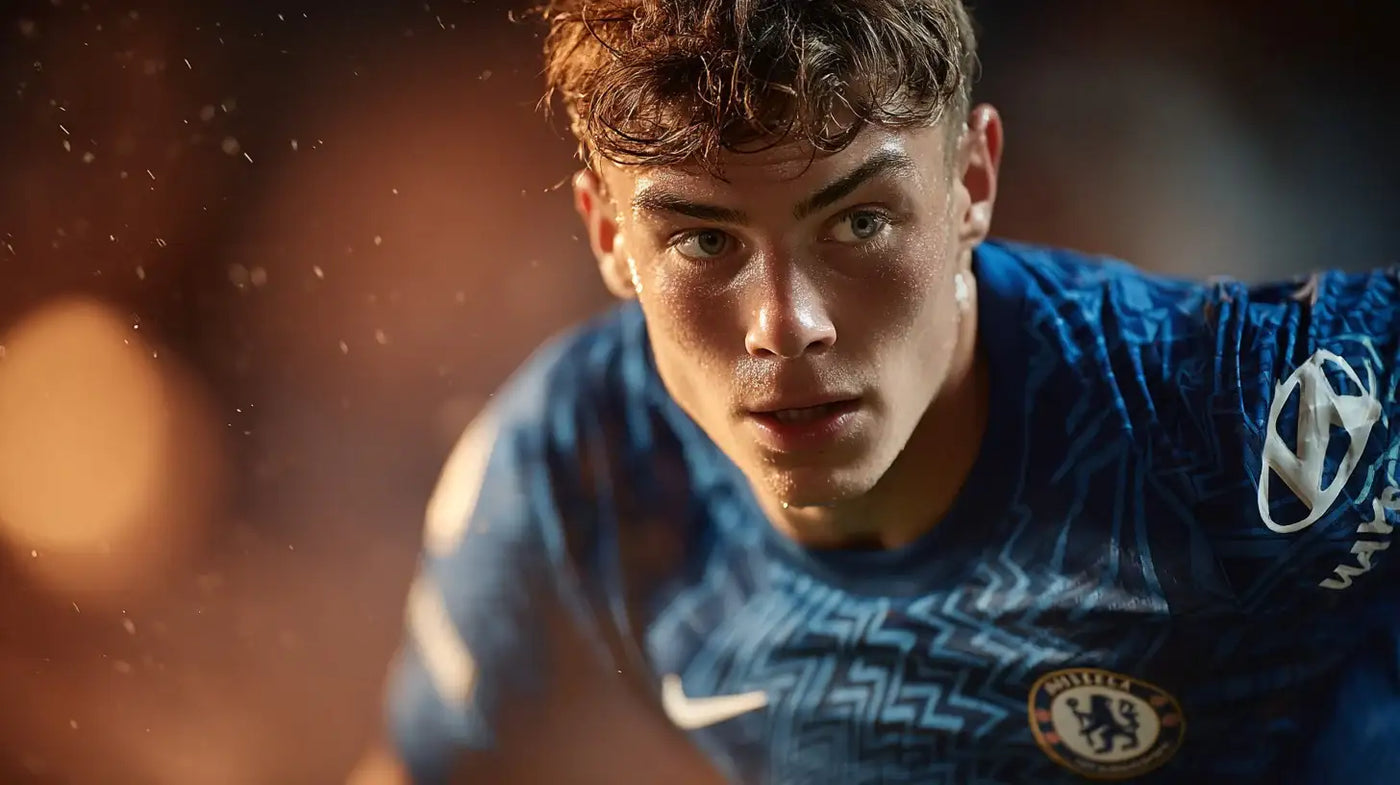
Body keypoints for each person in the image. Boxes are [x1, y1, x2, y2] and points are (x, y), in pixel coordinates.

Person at [350, 1, 1400, 782]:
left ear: (970, 185)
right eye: (703, 239)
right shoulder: (571, 465)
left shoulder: (1233, 415)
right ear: (608, 236)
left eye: (856, 221)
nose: (783, 322)